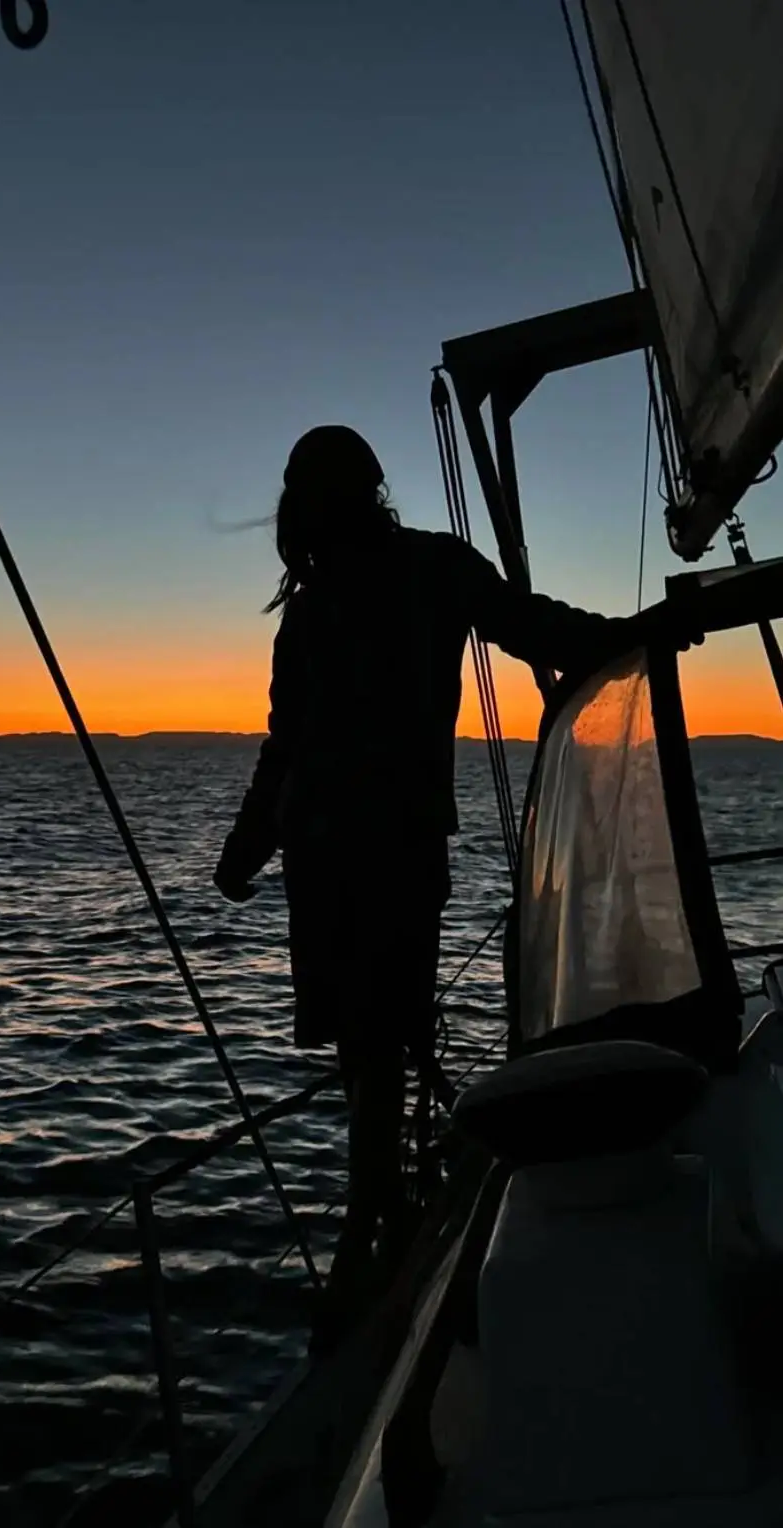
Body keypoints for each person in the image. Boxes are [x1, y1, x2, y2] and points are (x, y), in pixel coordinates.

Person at [211, 423, 639, 1341]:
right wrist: (635, 637)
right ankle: (382, 1222)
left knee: (372, 1046)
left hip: (342, 855)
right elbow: (535, 628)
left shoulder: (336, 599)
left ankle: (367, 1238)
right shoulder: (413, 576)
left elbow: (288, 747)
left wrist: (249, 848)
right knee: (375, 1045)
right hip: (371, 852)